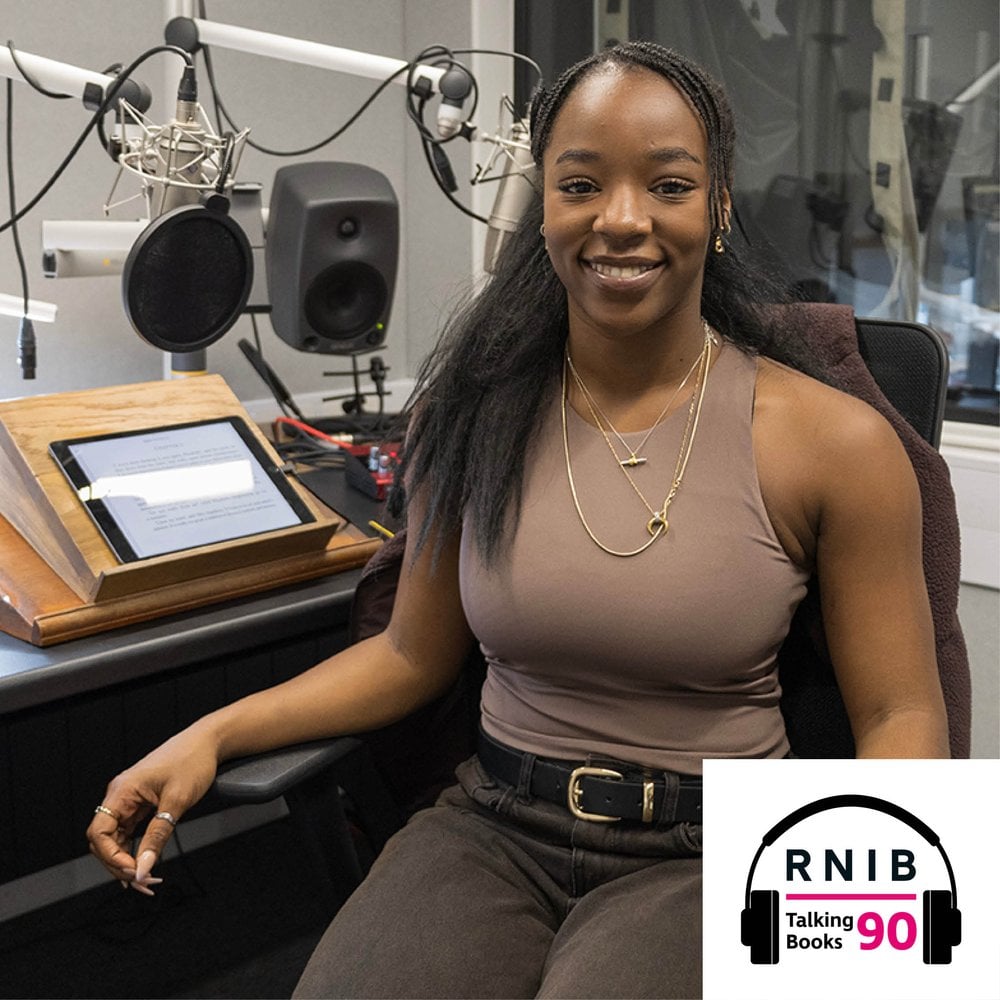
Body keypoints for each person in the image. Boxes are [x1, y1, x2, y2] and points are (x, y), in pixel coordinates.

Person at [88, 41, 950, 998]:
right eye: (581, 184)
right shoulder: (478, 407)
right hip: (495, 825)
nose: (622, 220)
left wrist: (875, 938)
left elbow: (899, 714)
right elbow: (412, 655)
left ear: (720, 204)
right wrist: (211, 734)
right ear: (545, 207)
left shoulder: (835, 442)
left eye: (668, 185)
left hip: (718, 849)